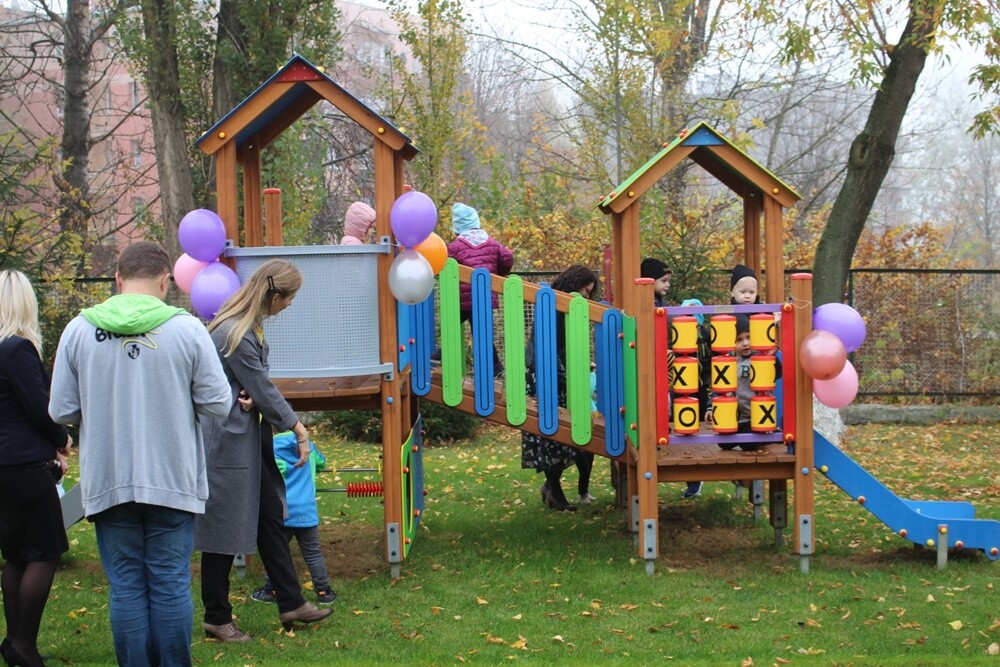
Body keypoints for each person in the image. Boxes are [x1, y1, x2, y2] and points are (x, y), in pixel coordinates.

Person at [49, 242, 231, 667]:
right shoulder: (187, 330)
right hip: (172, 478)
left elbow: (60, 410)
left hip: (109, 478)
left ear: (118, 279)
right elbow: (219, 402)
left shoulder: (79, 330)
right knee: (170, 584)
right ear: (166, 281)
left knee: (127, 586)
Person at [195, 259, 332, 643]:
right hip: (227, 444)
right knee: (222, 534)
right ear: (273, 295)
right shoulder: (235, 332)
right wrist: (299, 429)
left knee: (271, 518)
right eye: (289, 297)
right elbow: (262, 387)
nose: (290, 304)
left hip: (245, 441)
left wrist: (251, 396)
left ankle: (291, 601)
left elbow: (251, 386)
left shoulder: (244, 326)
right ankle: (216, 618)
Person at [0, 270, 73, 667]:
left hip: (4, 465)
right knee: (46, 551)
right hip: (24, 463)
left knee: (16, 554)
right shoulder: (16, 348)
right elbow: (39, 407)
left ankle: (14, 642)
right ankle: (24, 645)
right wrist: (62, 438)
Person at [522, 265, 599, 511]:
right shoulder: (554, 305)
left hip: (558, 373)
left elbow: (565, 346)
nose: (586, 296)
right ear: (573, 284)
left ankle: (551, 487)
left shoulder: (565, 307)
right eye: (585, 290)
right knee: (551, 432)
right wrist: (564, 375)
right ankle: (555, 492)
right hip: (546, 374)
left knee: (565, 434)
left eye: (590, 292)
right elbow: (548, 348)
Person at [640, 258, 703, 499]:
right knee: (663, 415)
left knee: (673, 416)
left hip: (664, 368)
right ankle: (689, 474)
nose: (667, 285)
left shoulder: (659, 302)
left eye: (668, 281)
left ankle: (692, 476)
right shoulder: (647, 303)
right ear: (649, 281)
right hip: (655, 369)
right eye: (663, 280)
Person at [251, 432, 336, 606]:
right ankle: (324, 591)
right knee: (313, 553)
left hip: (282, 511)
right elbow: (322, 462)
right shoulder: (308, 447)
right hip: (307, 510)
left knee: (277, 552)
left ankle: (270, 589)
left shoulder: (272, 447)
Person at [438, 203, 514, 374]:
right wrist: (500, 274)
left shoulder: (454, 247)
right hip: (486, 297)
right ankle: (496, 366)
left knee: (452, 324)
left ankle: (441, 353)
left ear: (457, 228)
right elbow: (507, 257)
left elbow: (445, 264)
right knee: (482, 332)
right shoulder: (492, 243)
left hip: (464, 299)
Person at [706, 314, 782, 448]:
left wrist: (770, 358)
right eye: (739, 340)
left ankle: (768, 434)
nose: (745, 343)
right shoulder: (729, 362)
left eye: (749, 337)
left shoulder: (761, 360)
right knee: (724, 444)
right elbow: (718, 389)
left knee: (747, 444)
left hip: (756, 417)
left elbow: (776, 373)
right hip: (735, 417)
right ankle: (750, 433)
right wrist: (711, 407)